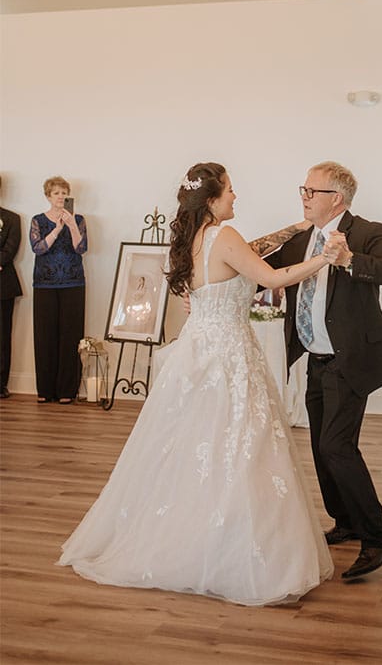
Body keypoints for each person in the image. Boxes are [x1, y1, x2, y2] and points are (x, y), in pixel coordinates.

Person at [59, 162, 335, 606]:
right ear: (211, 199)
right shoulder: (225, 237)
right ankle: (230, 551)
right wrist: (325, 256)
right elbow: (273, 276)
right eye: (229, 190)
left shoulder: (193, 239)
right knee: (240, 448)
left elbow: (250, 252)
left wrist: (296, 227)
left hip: (197, 351)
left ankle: (192, 539)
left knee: (192, 448)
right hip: (229, 357)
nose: (235, 196)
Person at [264, 161, 382, 581]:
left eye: (311, 191)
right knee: (320, 445)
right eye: (304, 190)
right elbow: (259, 272)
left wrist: (351, 259)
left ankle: (379, 537)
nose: (304, 197)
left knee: (337, 446)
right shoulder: (300, 239)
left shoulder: (368, 231)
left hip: (351, 360)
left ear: (338, 198)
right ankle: (346, 520)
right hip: (314, 358)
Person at [30, 176, 87, 404]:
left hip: (73, 283)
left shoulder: (80, 219)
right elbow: (38, 248)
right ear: (48, 196)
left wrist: (71, 225)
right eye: (56, 193)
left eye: (64, 193)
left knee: (70, 335)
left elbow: (81, 248)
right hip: (44, 284)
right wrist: (56, 229)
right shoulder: (38, 220)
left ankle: (67, 391)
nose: (61, 197)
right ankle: (45, 390)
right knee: (45, 336)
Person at [0, 179, 23, 399]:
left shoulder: (11, 218)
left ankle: (0, 384)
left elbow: (11, 247)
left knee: (2, 336)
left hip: (3, 285)